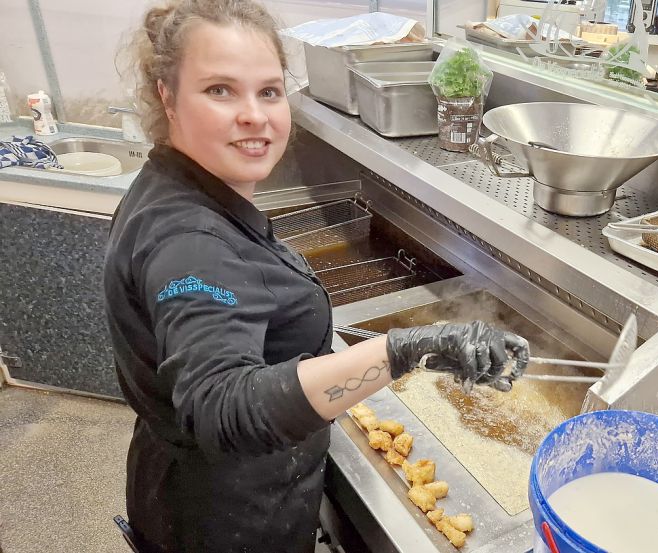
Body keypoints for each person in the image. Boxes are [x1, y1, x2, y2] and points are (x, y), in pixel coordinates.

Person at [103, 2, 530, 552]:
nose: (254, 115)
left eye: (269, 91)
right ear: (167, 95)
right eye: (219, 90)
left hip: (183, 489)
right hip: (228, 520)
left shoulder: (175, 185)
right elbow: (224, 407)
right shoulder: (190, 244)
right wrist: (404, 350)